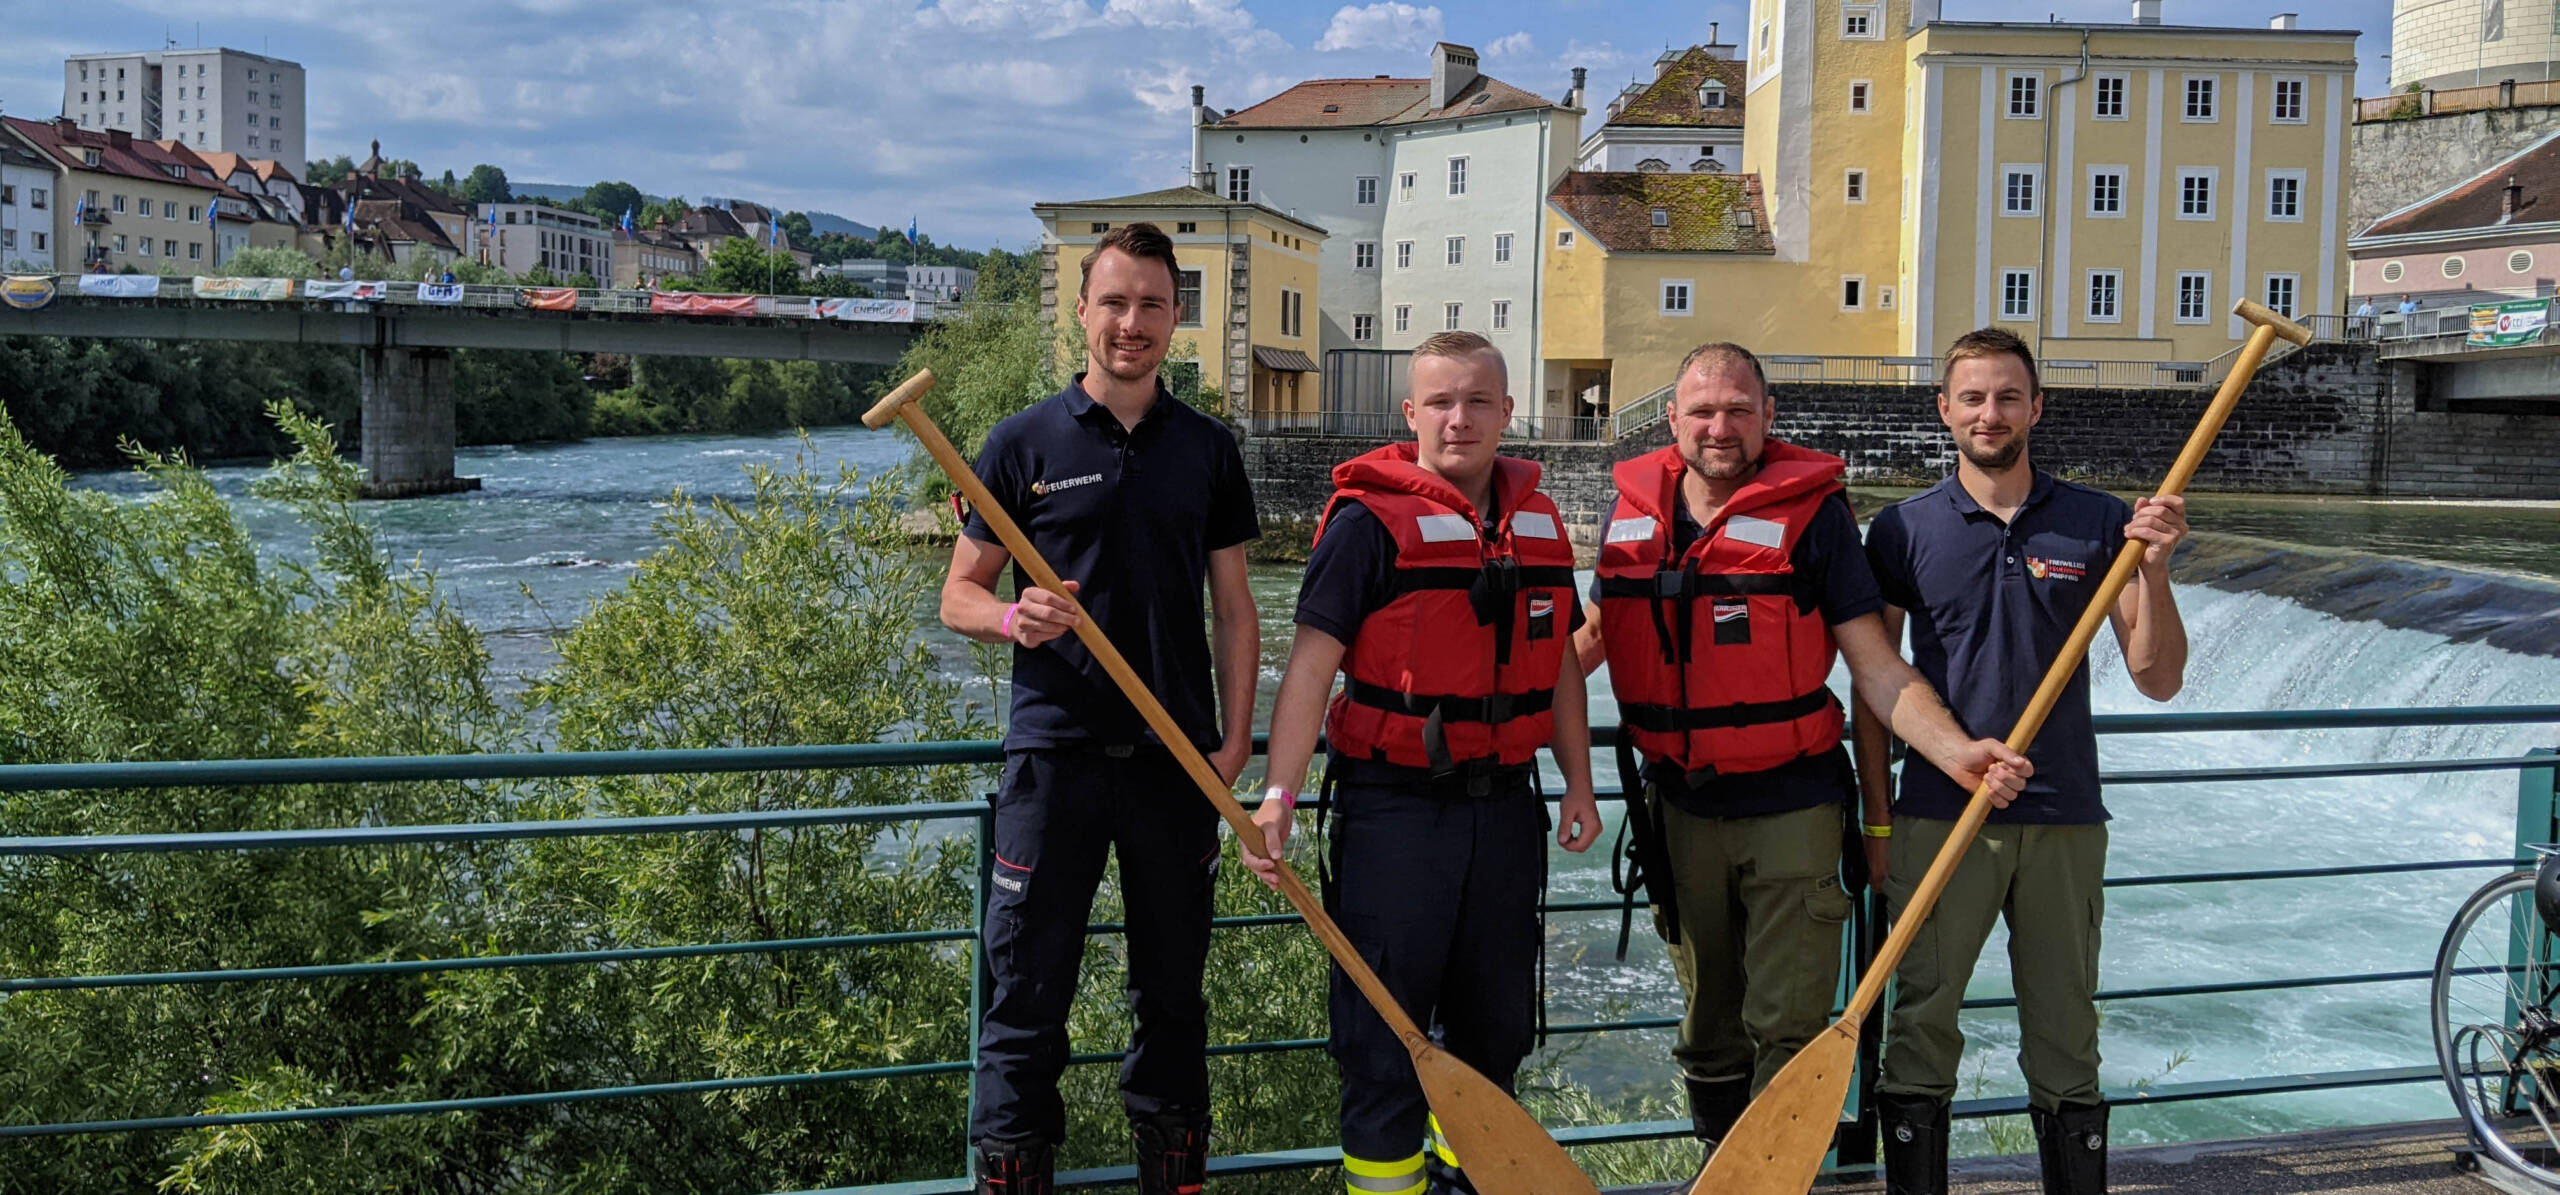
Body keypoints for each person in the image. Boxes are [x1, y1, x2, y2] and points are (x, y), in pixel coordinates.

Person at [1568, 342, 2028, 1179]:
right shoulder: (1630, 514)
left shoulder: (1815, 518)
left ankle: (1785, 1179)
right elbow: (1589, 642)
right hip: (1678, 807)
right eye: (1702, 410)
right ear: (1671, 419)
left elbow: (1878, 667)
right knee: (1707, 1022)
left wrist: (1957, 750)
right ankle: (1723, 1171)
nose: (1720, 426)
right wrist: (1479, 714)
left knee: (1788, 1022)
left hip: (1792, 810)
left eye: (1739, 409)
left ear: (1768, 417)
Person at [942, 222, 1261, 1195]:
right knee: (1025, 998)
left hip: (1174, 763)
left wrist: (1236, 741)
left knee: (1172, 1000)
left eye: (1151, 305)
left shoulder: (1208, 449)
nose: (1131, 322)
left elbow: (1237, 610)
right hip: (1053, 761)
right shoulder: (1021, 443)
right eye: (1113, 302)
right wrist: (1010, 616)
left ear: (1176, 317)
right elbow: (957, 593)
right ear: (1081, 310)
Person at [1245, 330, 1604, 1195]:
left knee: (1492, 1040)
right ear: (1410, 415)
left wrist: (1581, 782)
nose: (1459, 418)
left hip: (1504, 811)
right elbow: (1310, 665)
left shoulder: (1539, 527)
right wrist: (1280, 794)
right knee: (1383, 1044)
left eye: (1478, 400)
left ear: (1508, 413)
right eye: (1440, 401)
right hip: (1393, 813)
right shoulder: (1368, 525)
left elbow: (1554, 662)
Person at [1855, 328, 2190, 1195]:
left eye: (2007, 396)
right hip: (1939, 813)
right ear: (1944, 410)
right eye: (1972, 397)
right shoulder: (1901, 529)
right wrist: (1878, 820)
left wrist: (2153, 571)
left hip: (2064, 817)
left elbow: (2158, 676)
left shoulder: (2097, 519)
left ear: (2036, 408)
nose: (1989, 413)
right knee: (1920, 1027)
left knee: (2066, 1037)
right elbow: (1876, 685)